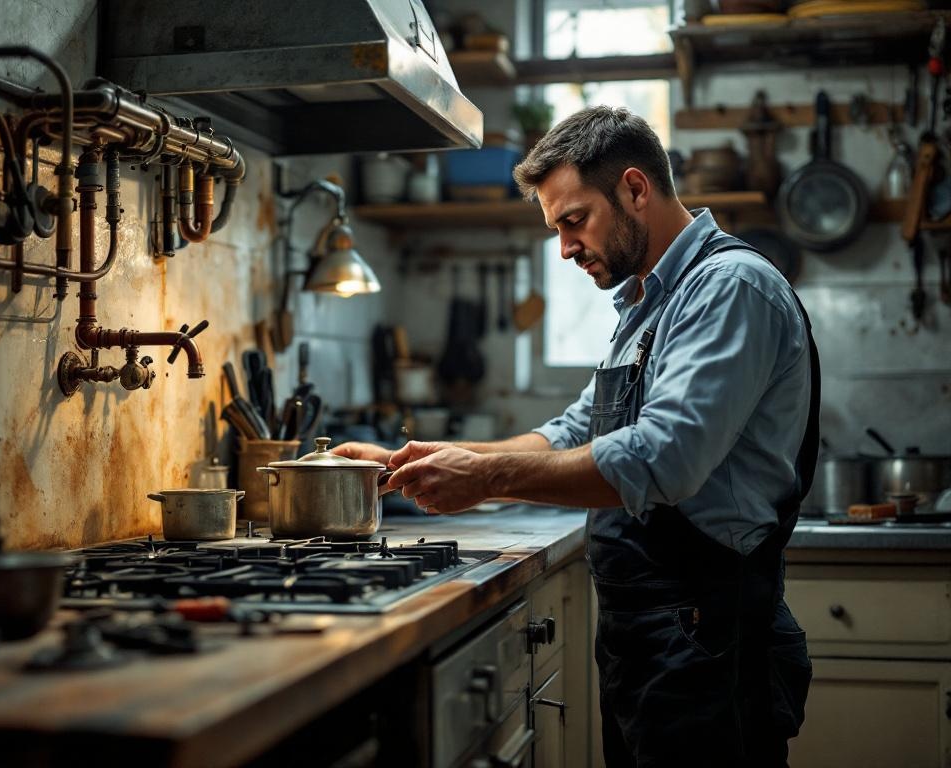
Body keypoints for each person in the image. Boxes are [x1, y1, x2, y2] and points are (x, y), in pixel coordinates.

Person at [335, 105, 820, 768]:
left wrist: (485, 480)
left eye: (573, 220)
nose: (564, 249)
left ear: (634, 189)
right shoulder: (651, 303)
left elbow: (662, 458)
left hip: (710, 635)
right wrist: (415, 462)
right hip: (654, 635)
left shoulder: (728, 289)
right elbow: (573, 431)